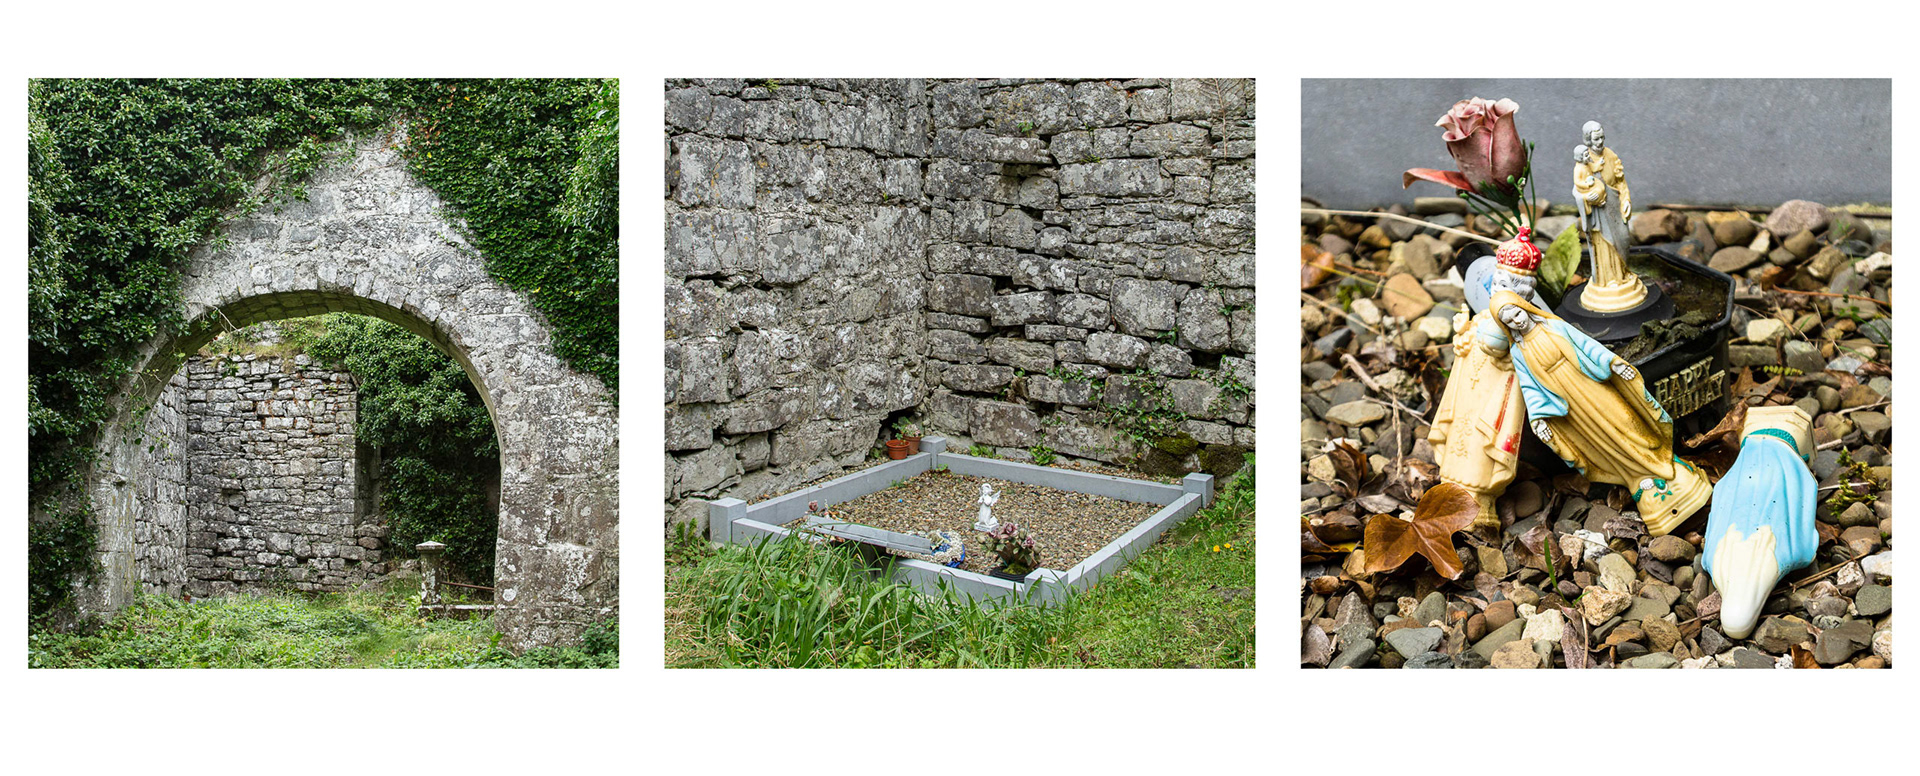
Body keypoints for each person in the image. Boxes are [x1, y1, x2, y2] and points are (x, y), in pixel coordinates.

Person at [1488, 289, 1708, 535]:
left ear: (1525, 308)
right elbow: (1529, 386)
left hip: (1593, 387)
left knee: (1627, 421)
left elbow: (1588, 347)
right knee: (1603, 442)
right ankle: (1636, 477)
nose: (1517, 321)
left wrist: (1613, 364)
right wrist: (1538, 417)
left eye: (1517, 313)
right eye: (1509, 320)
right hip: (1572, 409)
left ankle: (1662, 464)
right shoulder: (1519, 352)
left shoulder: (1555, 328)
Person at [1427, 229, 1535, 529]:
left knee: (1479, 443)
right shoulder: (1484, 316)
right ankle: (1450, 494)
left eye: (1509, 286)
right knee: (1460, 434)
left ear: (1525, 293)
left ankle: (1478, 506)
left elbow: (1509, 352)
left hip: (1493, 395)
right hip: (1468, 391)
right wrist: (1464, 334)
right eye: (1497, 283)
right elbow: (1469, 347)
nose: (1499, 291)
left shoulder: (1518, 323)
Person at [1702, 406, 1819, 639]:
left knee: (1768, 480)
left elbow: (1808, 536)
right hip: (1757, 448)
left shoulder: (1795, 555)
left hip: (1784, 450)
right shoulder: (1713, 561)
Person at [1572, 123, 1648, 313]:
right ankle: (1609, 280)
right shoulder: (1583, 161)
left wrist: (1626, 200)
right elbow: (1577, 189)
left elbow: (1621, 181)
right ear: (1588, 140)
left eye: (1602, 138)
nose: (1600, 142)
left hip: (1613, 206)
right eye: (1596, 139)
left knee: (1622, 239)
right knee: (1604, 244)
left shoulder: (1610, 155)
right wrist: (1585, 198)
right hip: (1598, 213)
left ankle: (1623, 273)